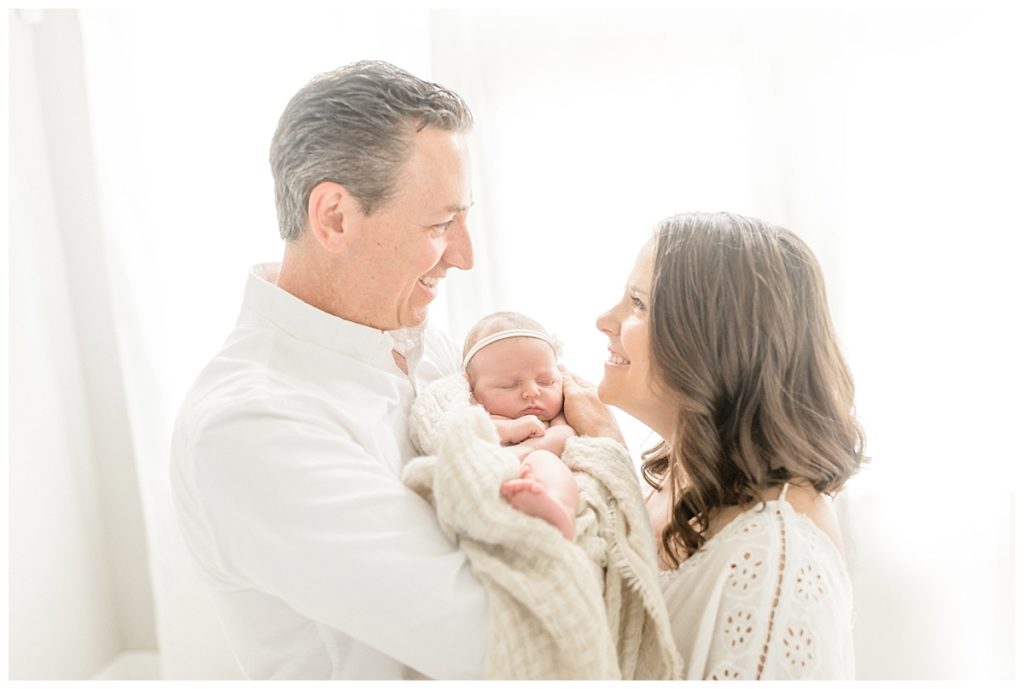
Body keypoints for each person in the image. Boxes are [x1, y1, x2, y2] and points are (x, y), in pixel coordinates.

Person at [170, 60, 491, 680]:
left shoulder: (431, 349)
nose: (465, 255)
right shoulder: (250, 425)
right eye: (441, 223)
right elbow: (491, 643)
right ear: (335, 217)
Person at [564, 211, 866, 679]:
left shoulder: (776, 559)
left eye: (639, 304)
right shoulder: (670, 478)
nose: (605, 319)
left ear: (712, 339)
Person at [461, 311, 579, 539]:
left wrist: (530, 449)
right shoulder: (477, 413)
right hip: (486, 480)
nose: (532, 392)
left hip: (535, 474)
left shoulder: (550, 420)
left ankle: (558, 506)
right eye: (508, 385)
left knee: (546, 462)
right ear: (472, 387)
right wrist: (511, 430)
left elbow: (565, 435)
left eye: (546, 381)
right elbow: (467, 432)